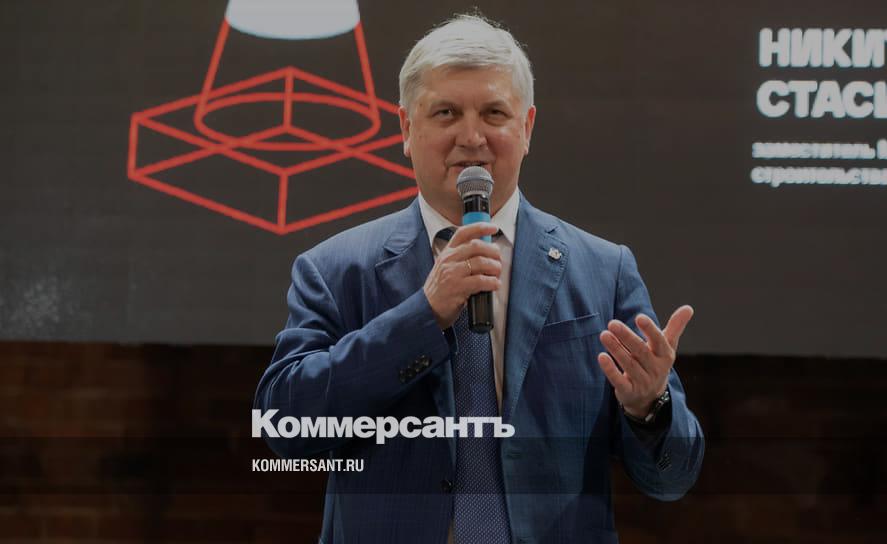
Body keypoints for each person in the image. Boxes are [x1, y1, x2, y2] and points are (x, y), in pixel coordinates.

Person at [255, 14, 704, 544]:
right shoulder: (334, 269)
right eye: (446, 112)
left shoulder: (604, 271)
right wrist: (422, 317)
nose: (471, 137)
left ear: (527, 127)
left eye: (494, 113)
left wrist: (649, 407)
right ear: (406, 128)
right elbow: (286, 427)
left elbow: (671, 479)